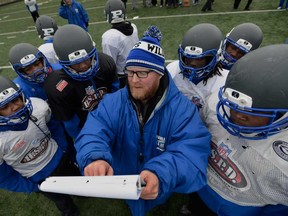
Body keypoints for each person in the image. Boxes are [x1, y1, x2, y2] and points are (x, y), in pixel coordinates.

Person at [74, 35, 211, 216]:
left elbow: (191, 152)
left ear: (160, 73)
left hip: (159, 183)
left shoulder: (183, 111)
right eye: (130, 72)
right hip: (124, 182)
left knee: (158, 196)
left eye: (143, 73)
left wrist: (161, 175)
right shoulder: (112, 102)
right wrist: (94, 157)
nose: (134, 80)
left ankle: (160, 202)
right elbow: (94, 131)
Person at [194, 44, 288, 216]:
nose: (237, 115)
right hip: (203, 185)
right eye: (233, 105)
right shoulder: (216, 104)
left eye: (251, 111)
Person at [0, 75, 80, 215]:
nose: (14, 107)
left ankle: (83, 193)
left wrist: (62, 147)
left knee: (78, 182)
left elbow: (54, 127)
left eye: (15, 100)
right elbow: (4, 177)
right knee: (62, 201)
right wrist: (32, 186)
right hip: (38, 176)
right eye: (5, 107)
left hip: (59, 158)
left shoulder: (38, 107)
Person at [44, 24, 119, 139]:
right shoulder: (58, 85)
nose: (83, 66)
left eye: (86, 59)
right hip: (88, 129)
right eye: (76, 63)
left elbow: (116, 93)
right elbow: (70, 123)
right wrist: (83, 139)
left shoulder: (105, 63)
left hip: (113, 117)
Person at [9, 43, 76, 162]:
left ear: (42, 60)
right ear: (20, 71)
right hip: (47, 128)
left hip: (70, 116)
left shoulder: (59, 71)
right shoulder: (20, 89)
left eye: (37, 64)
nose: (36, 70)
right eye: (28, 69)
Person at [166, 23, 225, 120]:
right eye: (188, 57)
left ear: (216, 57)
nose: (192, 63)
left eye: (200, 58)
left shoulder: (223, 82)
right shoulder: (172, 70)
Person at [102, 0, 139, 88]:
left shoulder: (109, 36)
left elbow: (110, 66)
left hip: (123, 77)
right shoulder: (133, 27)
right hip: (137, 71)